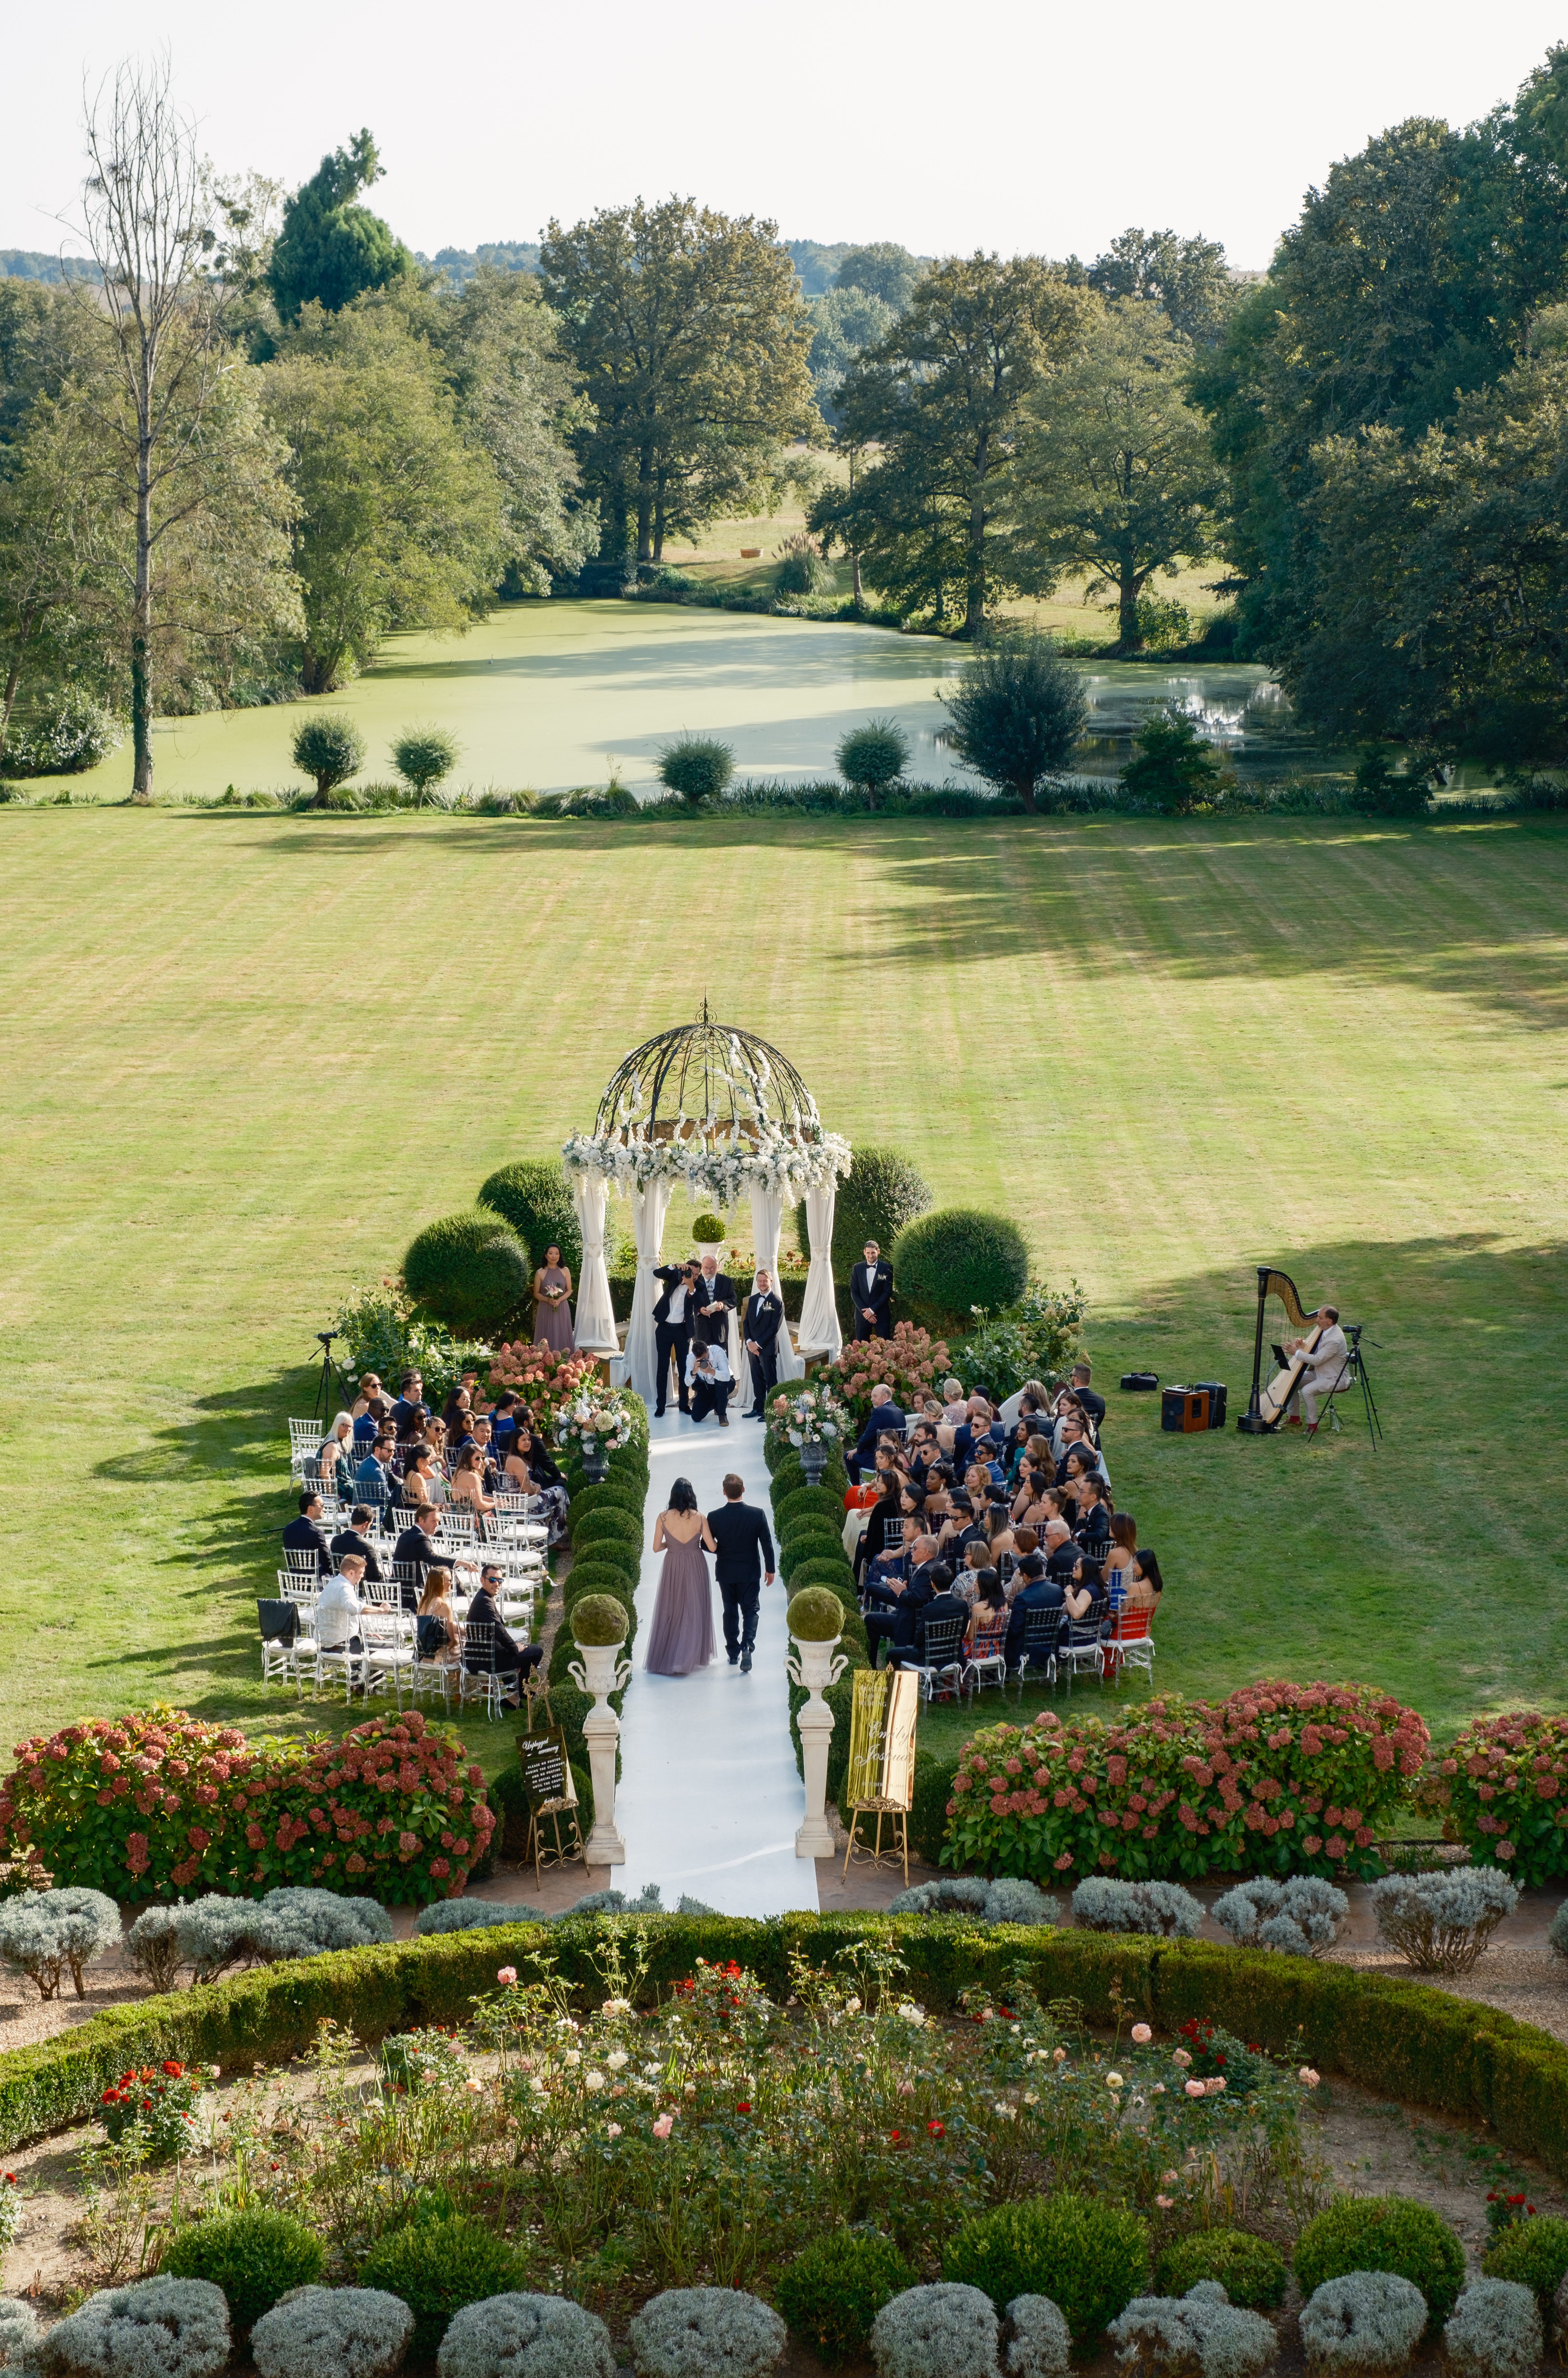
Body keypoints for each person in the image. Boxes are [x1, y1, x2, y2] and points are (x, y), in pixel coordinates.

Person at [706, 1472, 776, 1671]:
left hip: (726, 1572)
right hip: (750, 1572)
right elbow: (767, 1545)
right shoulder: (757, 1514)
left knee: (730, 1611)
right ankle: (747, 1646)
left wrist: (721, 1549)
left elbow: (706, 1544)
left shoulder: (715, 1517)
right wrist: (770, 1569)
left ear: (724, 1492)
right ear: (743, 1490)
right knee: (751, 1610)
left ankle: (733, 1653)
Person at [646, 1477, 717, 1675]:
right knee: (695, 1609)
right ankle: (689, 1656)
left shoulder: (663, 1518)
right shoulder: (700, 1517)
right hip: (696, 1563)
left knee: (672, 1608)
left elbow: (655, 1548)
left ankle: (673, 1655)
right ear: (691, 1496)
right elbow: (712, 1547)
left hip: (673, 1564)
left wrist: (672, 1544)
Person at [464, 1563, 541, 1705]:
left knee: (514, 1649)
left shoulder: (482, 1598)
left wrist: (512, 1649)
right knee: (536, 1651)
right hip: (488, 1662)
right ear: (483, 1580)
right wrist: (515, 1650)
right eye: (493, 1580)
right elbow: (499, 1632)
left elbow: (497, 1635)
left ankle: (514, 1693)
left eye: (500, 1580)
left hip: (484, 1657)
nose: (497, 1584)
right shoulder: (484, 1603)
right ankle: (522, 1694)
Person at [862, 1535, 940, 1666]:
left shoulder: (926, 1571)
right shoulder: (930, 1566)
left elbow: (917, 1599)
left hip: (911, 1624)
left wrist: (901, 1592)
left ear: (926, 1552)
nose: (912, 1551)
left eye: (915, 1548)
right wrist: (903, 1590)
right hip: (908, 1615)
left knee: (871, 1620)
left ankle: (871, 1666)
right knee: (875, 1612)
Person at [891, 1562, 969, 1676]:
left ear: (933, 1584)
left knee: (891, 1654)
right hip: (954, 1655)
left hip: (930, 1659)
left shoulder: (929, 1609)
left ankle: (897, 1687)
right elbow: (962, 1632)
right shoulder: (962, 1605)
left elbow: (919, 1640)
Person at [1284, 1306, 1351, 1427]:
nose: (1316, 1320)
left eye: (1320, 1318)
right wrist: (1303, 1345)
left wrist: (1296, 1353)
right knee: (1292, 1382)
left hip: (1333, 1378)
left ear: (1329, 1321)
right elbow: (1319, 1351)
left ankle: (1313, 1426)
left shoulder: (1335, 1340)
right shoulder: (1327, 1330)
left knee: (1307, 1391)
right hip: (1320, 1373)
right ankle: (1295, 1418)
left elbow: (1317, 1360)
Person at [1005, 1551, 1067, 1666]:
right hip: (1051, 1645)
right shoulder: (1057, 1590)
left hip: (1028, 1649)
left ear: (1025, 1576)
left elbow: (1015, 1630)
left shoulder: (1022, 1598)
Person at [742, 1269, 784, 1418]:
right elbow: (746, 1323)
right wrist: (749, 1342)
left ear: (771, 1282)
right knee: (757, 1379)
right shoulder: (753, 1300)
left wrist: (758, 1344)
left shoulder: (777, 1302)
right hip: (752, 1348)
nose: (762, 1283)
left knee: (771, 1380)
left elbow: (774, 1328)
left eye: (765, 1281)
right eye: (759, 1281)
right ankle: (758, 1408)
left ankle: (772, 1412)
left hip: (767, 1348)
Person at [392, 1505, 451, 1607]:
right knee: (449, 1573)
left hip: (397, 1593)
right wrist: (458, 1562)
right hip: (415, 1597)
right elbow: (431, 1558)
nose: (437, 1525)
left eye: (438, 1522)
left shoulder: (405, 1535)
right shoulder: (421, 1538)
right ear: (421, 1520)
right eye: (433, 1521)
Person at [847, 1383, 907, 1483]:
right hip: (899, 1457)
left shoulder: (879, 1412)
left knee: (849, 1456)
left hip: (881, 1459)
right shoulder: (900, 1412)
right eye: (872, 1397)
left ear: (885, 1397)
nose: (872, 1399)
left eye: (875, 1396)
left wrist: (859, 1449)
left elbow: (868, 1436)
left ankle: (856, 1488)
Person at [314, 1553, 366, 1657]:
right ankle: (360, 1672)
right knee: (379, 1645)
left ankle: (359, 1670)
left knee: (367, 1638)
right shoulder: (344, 1588)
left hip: (322, 1643)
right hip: (341, 1646)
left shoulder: (332, 1583)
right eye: (361, 1573)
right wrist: (380, 1610)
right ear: (352, 1573)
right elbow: (353, 1608)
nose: (363, 1576)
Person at [964, 1568, 1011, 1667]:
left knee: (956, 1649)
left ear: (984, 1586)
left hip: (981, 1650)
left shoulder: (979, 1607)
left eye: (977, 1582)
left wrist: (967, 1626)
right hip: (999, 1648)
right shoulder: (1004, 1604)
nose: (975, 1584)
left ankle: (961, 1681)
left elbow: (970, 1637)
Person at [415, 1566, 460, 1667]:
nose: (452, 1583)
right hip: (438, 1658)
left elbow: (437, 1627)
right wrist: (461, 1640)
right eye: (450, 1580)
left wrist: (461, 1630)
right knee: (466, 1647)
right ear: (442, 1583)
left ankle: (453, 1681)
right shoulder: (443, 1606)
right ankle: (459, 1682)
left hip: (423, 1654)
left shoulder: (423, 1601)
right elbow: (451, 1642)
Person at [533, 1245, 575, 1351]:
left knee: (562, 1332)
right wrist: (548, 1300)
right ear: (546, 1256)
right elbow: (536, 1293)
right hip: (545, 1308)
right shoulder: (540, 1273)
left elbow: (569, 1290)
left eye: (557, 1254)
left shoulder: (565, 1271)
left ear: (560, 1256)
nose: (554, 1256)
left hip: (562, 1308)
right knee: (546, 1332)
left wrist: (559, 1300)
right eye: (551, 1253)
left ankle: (564, 1361)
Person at [850, 1240, 894, 1341]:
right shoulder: (857, 1268)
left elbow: (887, 1292)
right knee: (861, 1350)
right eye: (868, 1253)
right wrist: (866, 1313)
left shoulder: (887, 1268)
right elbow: (854, 1292)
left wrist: (872, 1310)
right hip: (862, 1316)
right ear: (864, 1252)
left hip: (881, 1315)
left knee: (885, 1349)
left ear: (878, 1252)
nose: (871, 1256)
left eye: (873, 1253)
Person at [691, 1252, 737, 1349]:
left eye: (712, 1268)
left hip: (720, 1331)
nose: (709, 1271)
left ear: (717, 1267)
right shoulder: (695, 1282)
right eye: (706, 1268)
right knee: (702, 1362)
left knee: (721, 1361)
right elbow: (689, 1302)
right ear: (701, 1268)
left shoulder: (727, 1282)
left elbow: (734, 1300)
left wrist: (723, 1304)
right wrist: (700, 1310)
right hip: (701, 1331)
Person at [283, 1491, 333, 1576]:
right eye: (322, 1506)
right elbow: (327, 1562)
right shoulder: (316, 1533)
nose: (324, 1509)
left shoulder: (288, 1528)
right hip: (314, 1581)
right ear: (311, 1509)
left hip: (293, 1580)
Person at [331, 1506, 385, 1583]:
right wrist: (384, 1577)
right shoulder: (367, 1548)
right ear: (365, 1524)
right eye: (371, 1525)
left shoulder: (336, 1541)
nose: (369, 1528)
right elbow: (375, 1577)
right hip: (360, 1588)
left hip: (338, 1584)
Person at [686, 1338, 733, 1426]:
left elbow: (727, 1377)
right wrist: (694, 1372)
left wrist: (711, 1371)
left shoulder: (718, 1352)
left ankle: (722, 1414)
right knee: (696, 1417)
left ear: (708, 1350)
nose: (704, 1361)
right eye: (700, 1360)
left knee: (720, 1381)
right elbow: (687, 1383)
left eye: (705, 1358)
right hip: (707, 1387)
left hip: (726, 1384)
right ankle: (717, 1403)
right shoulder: (691, 1358)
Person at [450, 1443, 494, 1519]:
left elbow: (479, 1497)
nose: (481, 1461)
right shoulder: (472, 1476)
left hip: (458, 1519)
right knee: (503, 1512)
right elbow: (479, 1505)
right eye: (477, 1458)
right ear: (468, 1459)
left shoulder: (458, 1472)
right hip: (472, 1521)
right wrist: (497, 1505)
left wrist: (495, 1500)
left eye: (482, 1458)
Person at [316, 1412, 355, 1493]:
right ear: (337, 1425)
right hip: (340, 1490)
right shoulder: (332, 1446)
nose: (348, 1429)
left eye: (350, 1427)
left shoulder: (339, 1443)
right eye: (345, 1426)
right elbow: (325, 1473)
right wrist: (332, 1494)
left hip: (346, 1488)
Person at [390, 1372, 428, 1440]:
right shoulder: (411, 1411)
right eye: (416, 1391)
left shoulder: (394, 1407)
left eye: (420, 1390)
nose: (420, 1393)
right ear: (406, 1394)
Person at [1070, 1362, 1107, 1432]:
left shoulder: (1070, 1400)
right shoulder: (1100, 1400)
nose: (1071, 1377)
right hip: (1094, 1440)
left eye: (1071, 1375)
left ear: (1076, 1379)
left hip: (1074, 1440)